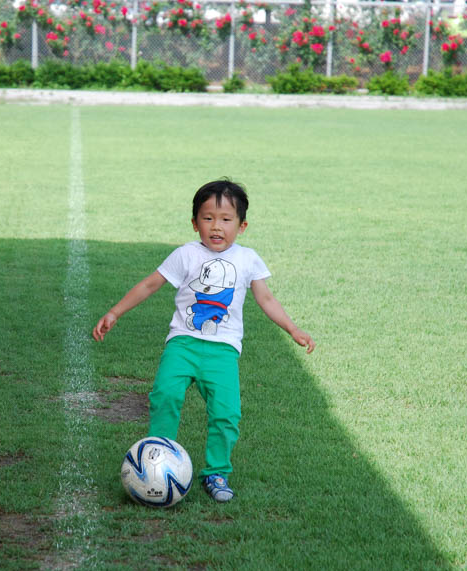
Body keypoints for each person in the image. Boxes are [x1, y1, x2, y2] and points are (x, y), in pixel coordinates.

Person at [92, 179, 315, 502]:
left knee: (226, 414)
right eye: (208, 218)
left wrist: (293, 329)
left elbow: (266, 299)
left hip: (223, 352)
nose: (216, 226)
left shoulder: (248, 259)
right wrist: (115, 312)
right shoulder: (186, 254)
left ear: (242, 225)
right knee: (165, 394)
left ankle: (216, 473)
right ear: (194, 222)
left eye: (226, 219)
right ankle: (157, 459)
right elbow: (150, 285)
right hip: (182, 344)